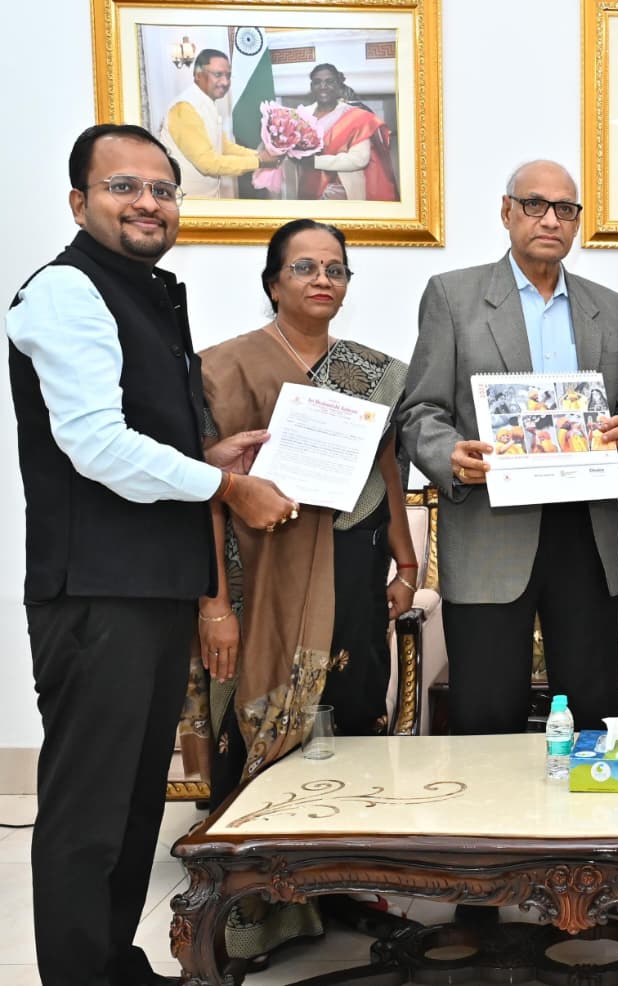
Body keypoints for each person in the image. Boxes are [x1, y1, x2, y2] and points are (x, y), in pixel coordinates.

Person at [7, 123, 296, 986]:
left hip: (150, 586)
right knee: (87, 813)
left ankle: (113, 963)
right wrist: (225, 488)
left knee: (135, 805)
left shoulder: (145, 293)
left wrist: (206, 459)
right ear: (79, 203)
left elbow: (130, 437)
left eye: (162, 189)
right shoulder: (67, 291)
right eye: (123, 187)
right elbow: (95, 444)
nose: (148, 203)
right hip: (99, 593)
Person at [179, 217, 415, 962]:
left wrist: (407, 566)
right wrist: (214, 604)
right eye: (305, 267)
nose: (323, 280)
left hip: (354, 571)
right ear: (273, 282)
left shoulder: (373, 371)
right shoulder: (221, 368)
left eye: (336, 269)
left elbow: (389, 472)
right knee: (257, 728)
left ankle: (347, 886)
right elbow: (204, 493)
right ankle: (258, 907)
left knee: (353, 718)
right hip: (260, 583)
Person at [400, 159, 618, 741]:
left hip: (584, 533)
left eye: (565, 209)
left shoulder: (608, 306)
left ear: (577, 222)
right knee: (486, 712)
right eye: (535, 204)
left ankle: (587, 804)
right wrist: (449, 455)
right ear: (507, 211)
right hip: (489, 531)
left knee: (591, 707)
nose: (550, 219)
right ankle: (489, 806)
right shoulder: (453, 296)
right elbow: (420, 409)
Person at [158, 48, 276, 198]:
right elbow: (208, 164)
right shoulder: (184, 107)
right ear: (198, 75)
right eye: (218, 75)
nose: (225, 82)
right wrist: (259, 161)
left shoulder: (206, 103)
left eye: (228, 75)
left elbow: (224, 146)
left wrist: (260, 155)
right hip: (186, 201)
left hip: (206, 198)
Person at [297, 63, 398, 201]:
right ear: (311, 87)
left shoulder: (357, 117)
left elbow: (359, 160)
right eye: (317, 82)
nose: (323, 86)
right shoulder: (301, 115)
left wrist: (315, 162)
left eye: (329, 82)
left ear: (339, 85)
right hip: (306, 188)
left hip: (342, 191)